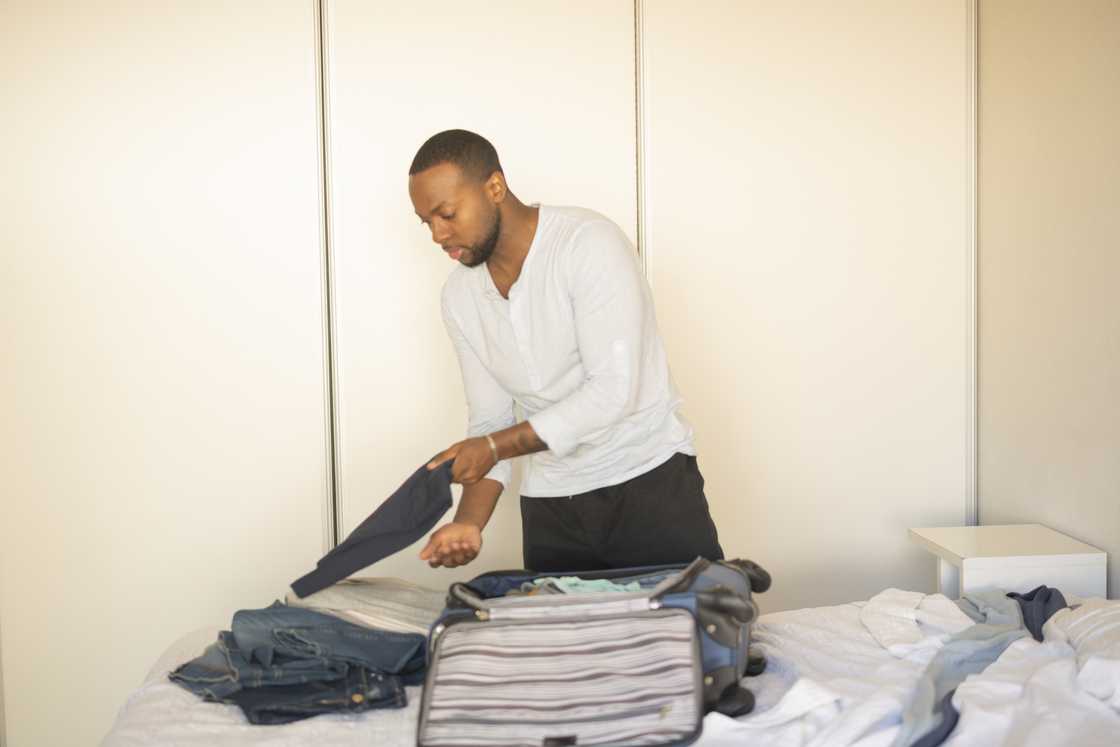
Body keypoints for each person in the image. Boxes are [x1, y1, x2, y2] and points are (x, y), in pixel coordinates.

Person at [409, 129, 722, 572]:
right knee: (561, 643)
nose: (439, 235)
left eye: (447, 213)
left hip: (650, 488)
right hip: (551, 511)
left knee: (687, 638)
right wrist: (468, 523)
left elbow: (613, 393)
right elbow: (490, 422)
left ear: (494, 187)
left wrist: (494, 447)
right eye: (427, 222)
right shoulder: (459, 297)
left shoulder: (587, 244)